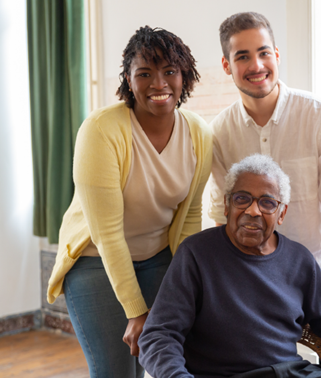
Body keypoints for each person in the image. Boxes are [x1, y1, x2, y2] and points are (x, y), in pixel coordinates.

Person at [46, 26, 212, 378]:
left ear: (185, 76)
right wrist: (136, 311)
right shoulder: (101, 130)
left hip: (159, 259)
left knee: (157, 363)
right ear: (128, 78)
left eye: (170, 71)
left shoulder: (199, 133)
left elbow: (190, 215)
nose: (159, 83)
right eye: (145, 73)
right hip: (95, 262)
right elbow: (106, 234)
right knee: (116, 372)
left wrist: (187, 283)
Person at [138, 154, 321, 378]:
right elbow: (158, 336)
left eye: (267, 202)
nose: (253, 211)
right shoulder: (196, 254)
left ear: (281, 213)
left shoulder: (300, 260)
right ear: (227, 205)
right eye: (242, 199)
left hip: (292, 372)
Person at [208, 12, 321, 347]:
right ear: (227, 66)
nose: (257, 65)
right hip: (251, 288)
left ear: (277, 55)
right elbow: (222, 220)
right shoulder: (218, 134)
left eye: (264, 52)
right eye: (243, 56)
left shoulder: (320, 117)